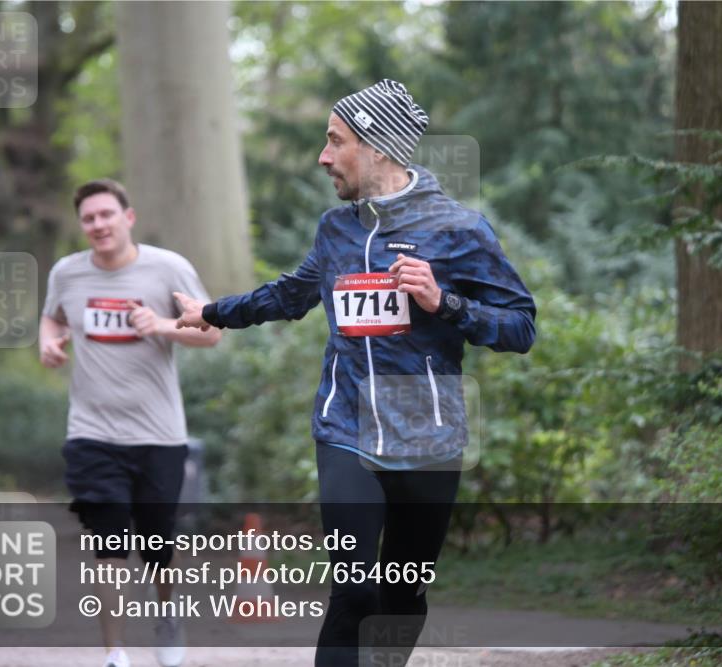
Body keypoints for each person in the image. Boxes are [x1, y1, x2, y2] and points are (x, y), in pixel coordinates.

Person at [174, 79, 536, 666]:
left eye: (335, 142)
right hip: (347, 430)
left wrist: (445, 303)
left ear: (379, 148)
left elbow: (521, 327)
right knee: (357, 585)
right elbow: (291, 293)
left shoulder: (460, 230)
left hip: (429, 438)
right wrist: (213, 311)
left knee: (402, 592)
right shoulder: (336, 229)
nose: (322, 157)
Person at [40, 178, 222, 667]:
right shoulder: (68, 273)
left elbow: (210, 333)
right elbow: (53, 317)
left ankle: (167, 617)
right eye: (89, 219)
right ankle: (114, 652)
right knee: (109, 541)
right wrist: (49, 340)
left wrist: (162, 326)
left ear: (128, 218)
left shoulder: (168, 269)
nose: (98, 225)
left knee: (159, 547)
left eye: (106, 215)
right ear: (82, 226)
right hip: (91, 433)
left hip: (159, 434)